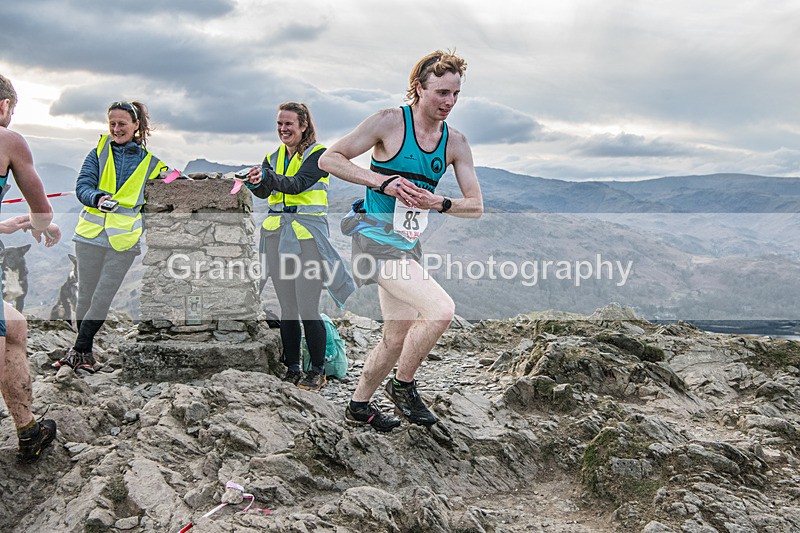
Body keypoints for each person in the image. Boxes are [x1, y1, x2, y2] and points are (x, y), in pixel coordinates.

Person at [319, 50, 483, 431]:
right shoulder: (390, 122)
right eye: (442, 92)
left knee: (395, 339)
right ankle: (403, 385)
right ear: (419, 88)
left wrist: (438, 202)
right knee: (441, 310)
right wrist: (383, 182)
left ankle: (358, 405)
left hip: (408, 245)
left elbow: (475, 206)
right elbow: (330, 159)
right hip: (373, 241)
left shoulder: (455, 143)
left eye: (456, 94)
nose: (449, 102)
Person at [244, 102, 355, 392]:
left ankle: (317, 370)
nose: (283, 129)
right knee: (288, 307)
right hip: (276, 236)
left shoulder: (319, 155)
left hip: (307, 239)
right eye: (279, 124)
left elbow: (297, 184)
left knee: (307, 307)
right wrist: (255, 182)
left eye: (289, 124)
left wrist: (267, 177)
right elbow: (266, 191)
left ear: (303, 126)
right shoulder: (272, 157)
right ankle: (292, 367)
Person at [52, 101, 167, 373]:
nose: (116, 129)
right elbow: (82, 186)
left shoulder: (151, 163)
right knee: (85, 297)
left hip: (123, 242)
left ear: (136, 125)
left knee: (102, 298)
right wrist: (98, 198)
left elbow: (175, 179)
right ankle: (85, 353)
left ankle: (77, 351)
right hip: (89, 236)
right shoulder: (98, 153)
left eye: (122, 124)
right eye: (112, 124)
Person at [0, 73, 62, 462]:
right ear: (4, 105)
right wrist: (43, 225)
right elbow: (42, 210)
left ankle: (28, 432)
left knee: (15, 327)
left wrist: (6, 225)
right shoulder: (8, 140)